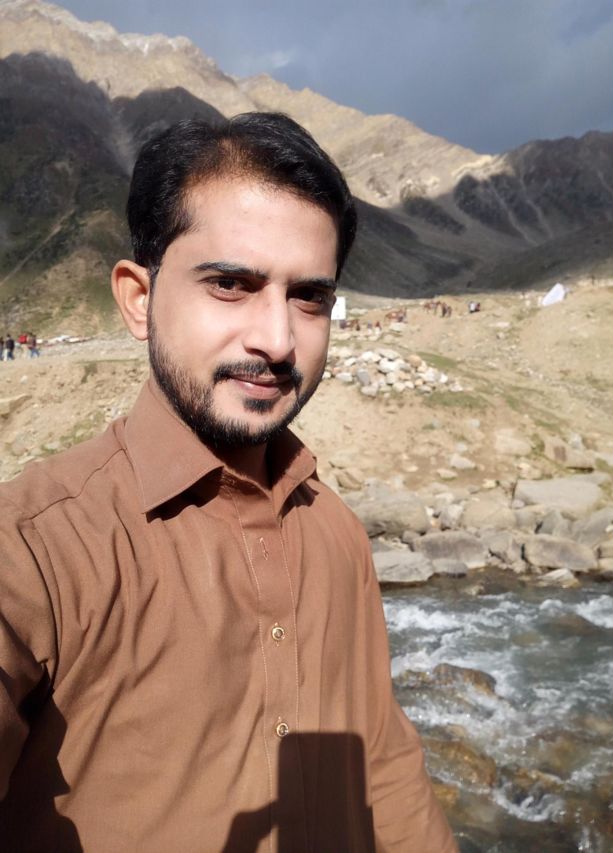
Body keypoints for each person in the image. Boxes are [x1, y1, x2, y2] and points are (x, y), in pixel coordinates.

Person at [0, 113, 457, 852]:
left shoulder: (337, 532)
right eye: (230, 284)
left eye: (309, 297)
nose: (276, 340)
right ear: (139, 299)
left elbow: (385, 762)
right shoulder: (35, 552)